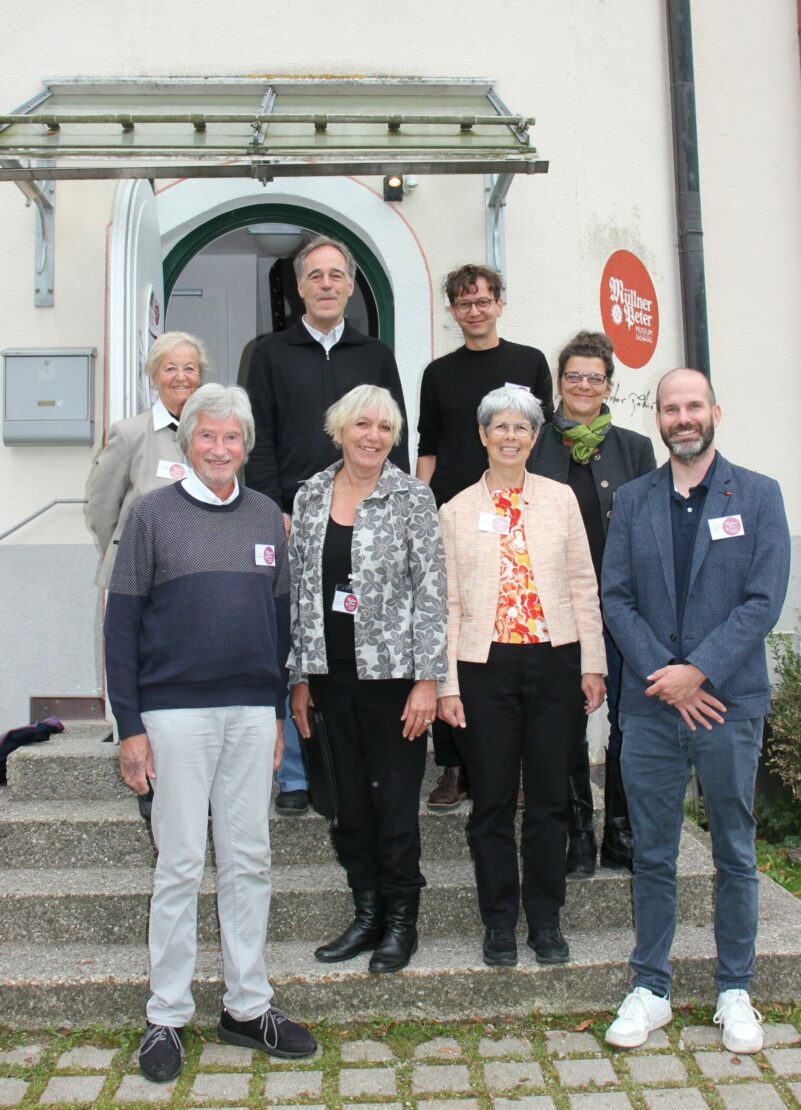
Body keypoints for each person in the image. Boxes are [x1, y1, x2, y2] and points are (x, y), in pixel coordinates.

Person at [104, 383, 316, 1083]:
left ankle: (247, 1007)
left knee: (249, 859)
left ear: (245, 446)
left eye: (231, 438)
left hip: (251, 714)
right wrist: (129, 727)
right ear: (187, 441)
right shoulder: (150, 515)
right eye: (206, 436)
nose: (219, 449)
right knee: (180, 863)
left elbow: (280, 623)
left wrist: (277, 712)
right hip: (174, 716)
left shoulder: (264, 517)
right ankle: (166, 1014)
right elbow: (120, 626)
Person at [602, 368, 791, 1054]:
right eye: (670, 408)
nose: (682, 418)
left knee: (734, 852)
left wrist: (698, 671)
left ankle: (734, 989)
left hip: (726, 705)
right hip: (651, 705)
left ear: (714, 411)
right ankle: (650, 988)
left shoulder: (759, 495)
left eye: (693, 406)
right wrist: (667, 675)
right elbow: (616, 596)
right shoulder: (633, 500)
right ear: (657, 418)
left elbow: (762, 600)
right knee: (652, 853)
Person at [437, 387, 606, 969]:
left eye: (522, 428)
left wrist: (592, 663)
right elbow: (448, 605)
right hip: (483, 667)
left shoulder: (560, 500)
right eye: (500, 427)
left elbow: (583, 583)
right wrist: (447, 684)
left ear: (535, 438)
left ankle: (546, 919)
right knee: (490, 801)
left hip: (555, 661)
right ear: (482, 435)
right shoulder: (455, 511)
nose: (510, 437)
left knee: (551, 799)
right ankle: (499, 923)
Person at [246, 235, 410, 816]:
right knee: (296, 637)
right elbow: (259, 438)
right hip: (296, 520)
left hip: (367, 518)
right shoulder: (268, 354)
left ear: (350, 285)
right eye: (315, 275)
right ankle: (295, 772)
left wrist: (396, 506)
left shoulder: (376, 354)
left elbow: (395, 434)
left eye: (336, 275)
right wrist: (275, 508)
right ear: (299, 287)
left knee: (357, 632)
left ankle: (366, 759)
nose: (326, 284)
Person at [289, 385, 447, 974]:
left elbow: (432, 592)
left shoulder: (412, 497)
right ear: (340, 430)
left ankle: (402, 921)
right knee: (349, 806)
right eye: (362, 424)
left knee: (395, 806)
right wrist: (299, 676)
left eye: (384, 428)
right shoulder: (310, 495)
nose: (373, 436)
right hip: (328, 678)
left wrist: (428, 680)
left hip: (394, 682)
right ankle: (367, 914)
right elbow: (299, 593)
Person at [417, 264, 554, 811]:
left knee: (507, 641)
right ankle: (453, 766)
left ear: (500, 304)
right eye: (463, 303)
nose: (473, 311)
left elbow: (544, 437)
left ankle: (506, 766)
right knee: (451, 630)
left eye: (482, 301)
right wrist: (421, 510)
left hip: (517, 512)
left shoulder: (529, 362)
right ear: (452, 311)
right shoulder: (437, 373)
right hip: (455, 516)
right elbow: (428, 446)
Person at [531, 331, 656, 877]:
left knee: (629, 717)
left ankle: (621, 832)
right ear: (559, 382)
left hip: (625, 609)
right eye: (574, 376)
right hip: (555, 608)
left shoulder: (635, 448)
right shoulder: (534, 443)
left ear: (609, 385)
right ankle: (577, 833)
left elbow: (651, 531)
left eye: (594, 377)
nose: (584, 385)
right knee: (564, 721)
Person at [85, 331, 208, 587]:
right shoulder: (129, 434)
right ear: (154, 377)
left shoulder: (212, 437)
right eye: (170, 368)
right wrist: (124, 553)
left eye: (189, 368)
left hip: (197, 572)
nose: (181, 377)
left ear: (199, 377)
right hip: (139, 574)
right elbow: (101, 509)